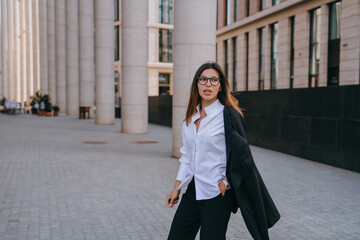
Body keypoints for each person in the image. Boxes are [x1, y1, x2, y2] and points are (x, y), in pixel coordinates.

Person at [166, 62, 280, 240]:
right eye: (203, 79)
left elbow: (241, 155)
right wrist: (177, 189)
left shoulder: (228, 115)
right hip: (194, 190)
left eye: (213, 80)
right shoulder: (190, 117)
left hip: (217, 194)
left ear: (220, 86)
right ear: (197, 84)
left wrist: (225, 182)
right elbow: (187, 157)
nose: (208, 84)